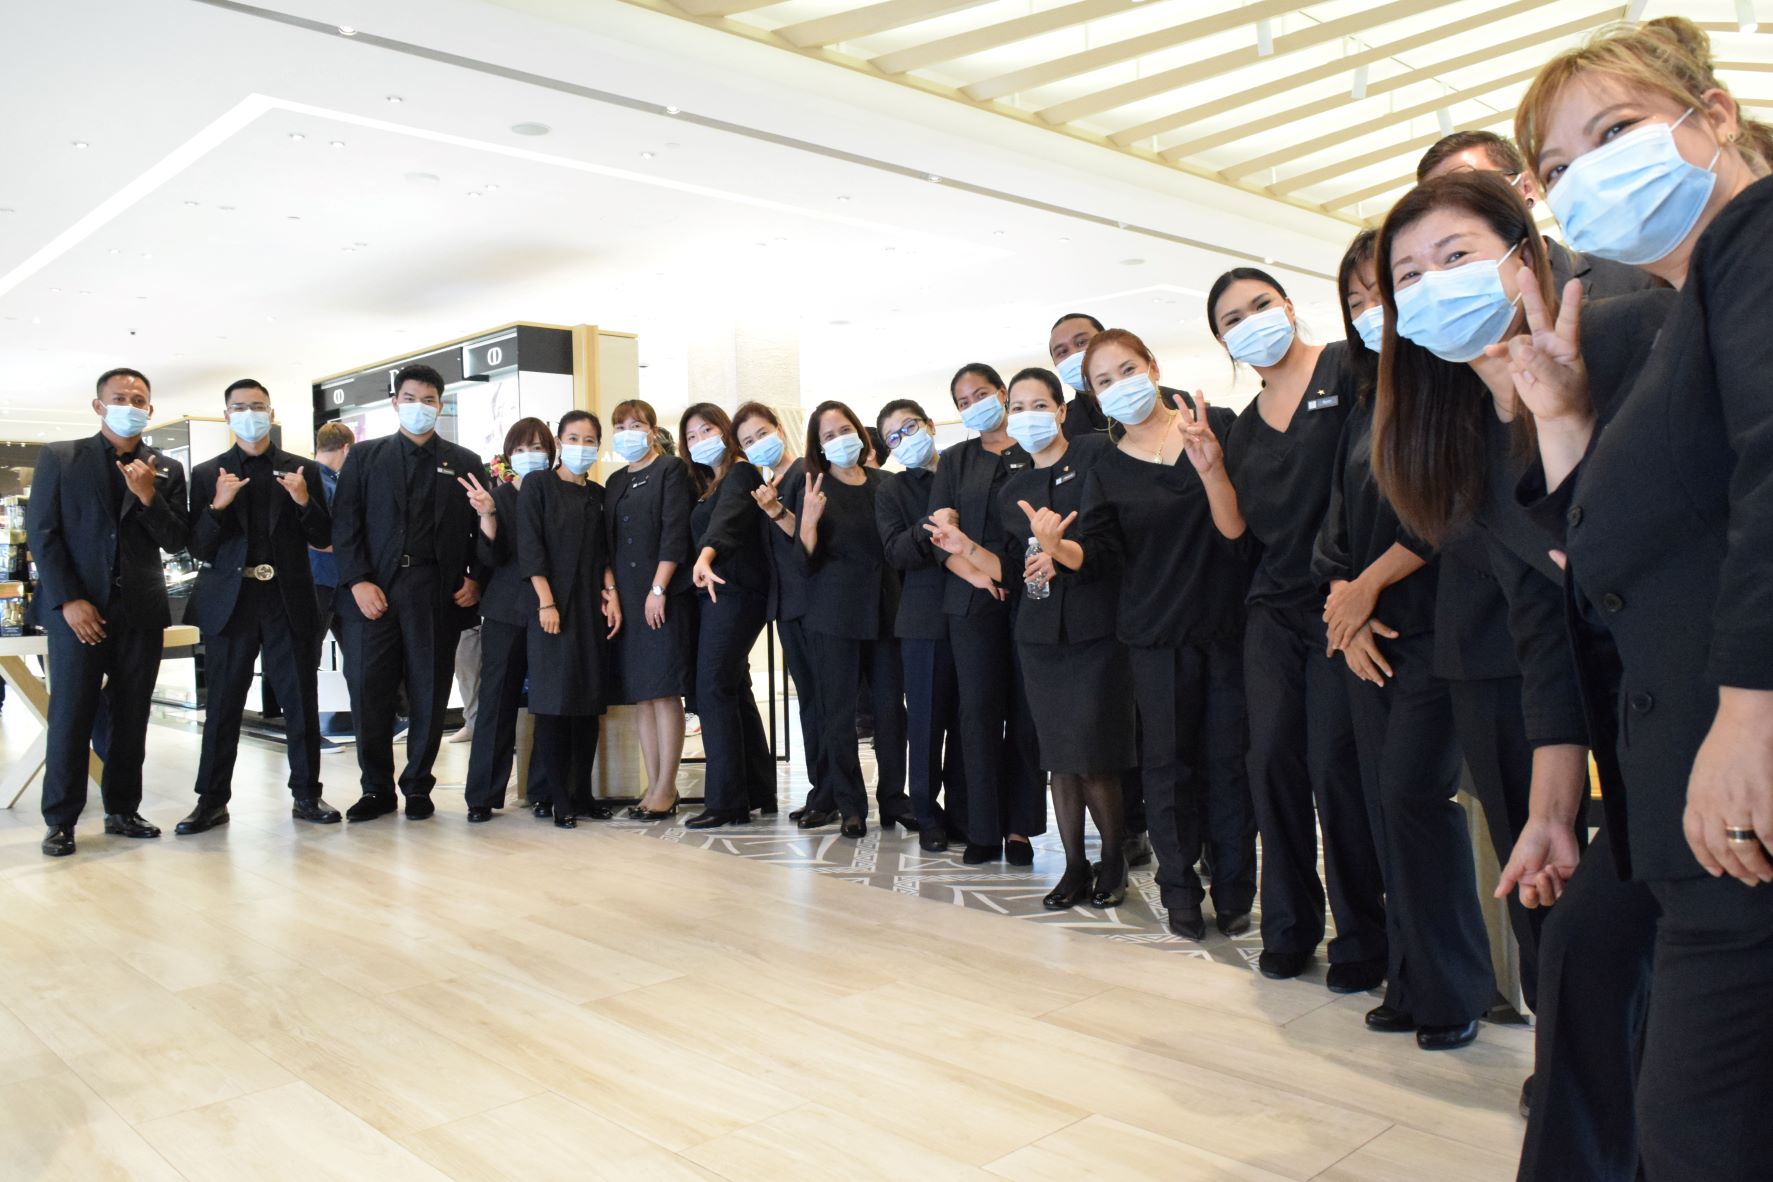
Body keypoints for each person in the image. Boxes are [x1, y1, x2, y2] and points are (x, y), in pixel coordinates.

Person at [1499, 18, 1773, 1177]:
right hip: (1691, 806)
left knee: (1698, 1136)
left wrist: (1752, 708)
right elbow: (1608, 566)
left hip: (1739, 785)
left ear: (1712, 116)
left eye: (1616, 133)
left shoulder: (1757, 236)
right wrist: (1562, 419)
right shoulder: (1685, 316)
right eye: (1561, 171)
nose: (1590, 179)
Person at [1367, 170, 1674, 1176]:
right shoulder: (1467, 434)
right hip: (1641, 753)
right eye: (1407, 276)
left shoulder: (1630, 334)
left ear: (1523, 254)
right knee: (1582, 976)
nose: (1432, 286)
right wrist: (1551, 812)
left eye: (1455, 257)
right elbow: (1545, 626)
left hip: (1722, 716)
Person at [1313, 232, 1492, 1052]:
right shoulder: (1362, 404)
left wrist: (1367, 586)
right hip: (1367, 634)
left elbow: (1450, 504)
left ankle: (1455, 986)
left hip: (1433, 624)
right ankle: (1413, 977)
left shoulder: (1451, 384)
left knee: (1417, 802)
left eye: (1379, 290)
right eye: (1354, 302)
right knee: (1387, 807)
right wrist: (1343, 611)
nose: (1369, 312)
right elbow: (1335, 527)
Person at [1048, 330, 1256, 939]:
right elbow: (1103, 555)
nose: (1118, 386)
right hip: (1152, 637)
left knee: (1229, 764)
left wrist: (1211, 466)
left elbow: (1239, 531)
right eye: (1103, 381)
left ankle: (1237, 888)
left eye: (1126, 370)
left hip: (1224, 627)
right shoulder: (1104, 464)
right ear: (1091, 394)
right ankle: (1180, 891)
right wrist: (1061, 548)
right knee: (1167, 769)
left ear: (1153, 366)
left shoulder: (1213, 424)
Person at [1215, 266, 1387, 990]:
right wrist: (1205, 467)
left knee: (1333, 767)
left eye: (1260, 304)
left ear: (1288, 306)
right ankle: (1288, 925)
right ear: (1223, 341)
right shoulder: (1246, 426)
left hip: (1341, 598)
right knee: (1271, 761)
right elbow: (1241, 531)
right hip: (1271, 608)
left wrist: (1358, 590)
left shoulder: (1346, 368)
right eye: (1232, 318)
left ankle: (1363, 937)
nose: (1251, 321)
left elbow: (1371, 479)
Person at [27, 368, 190, 856]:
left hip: (139, 610)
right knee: (72, 715)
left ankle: (122, 809)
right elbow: (44, 534)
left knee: (131, 716)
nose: (130, 404)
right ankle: (60, 819)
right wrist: (68, 600)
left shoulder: (165, 469)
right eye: (119, 397)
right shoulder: (61, 457)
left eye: (139, 398)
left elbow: (177, 539)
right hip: (78, 610)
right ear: (99, 406)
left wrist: (147, 496)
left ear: (150, 410)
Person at [997, 369, 1134, 909]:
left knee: (1095, 754)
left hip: (1096, 629)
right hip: (1037, 635)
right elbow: (1015, 562)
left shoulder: (1098, 458)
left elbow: (1111, 545)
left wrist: (1062, 556)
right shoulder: (1013, 488)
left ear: (1060, 411)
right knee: (1057, 757)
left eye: (1038, 405)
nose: (1027, 415)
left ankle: (1114, 861)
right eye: (1017, 407)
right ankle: (1075, 865)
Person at [176, 379, 338, 834]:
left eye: (258, 406)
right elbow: (200, 547)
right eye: (240, 407)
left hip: (288, 598)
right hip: (232, 601)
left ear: (271, 411)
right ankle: (210, 801)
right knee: (224, 703)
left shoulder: (302, 469)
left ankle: (307, 794)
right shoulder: (209, 472)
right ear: (227, 415)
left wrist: (304, 501)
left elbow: (324, 537)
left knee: (299, 699)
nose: (250, 414)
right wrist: (218, 506)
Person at [331, 362, 487, 821]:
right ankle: (375, 788)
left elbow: (485, 528)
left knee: (430, 691)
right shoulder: (364, 457)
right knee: (368, 690)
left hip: (435, 592)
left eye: (430, 400)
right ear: (395, 402)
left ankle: (418, 785)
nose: (420, 407)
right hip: (374, 591)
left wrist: (475, 577)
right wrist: (358, 580)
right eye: (411, 398)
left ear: (441, 405)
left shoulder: (464, 462)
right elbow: (345, 525)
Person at [1046, 313, 1164, 869]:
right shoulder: (1068, 438)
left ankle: (1192, 841)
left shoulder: (1177, 412)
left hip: (1163, 594)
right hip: (1099, 598)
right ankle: (1130, 832)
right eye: (1061, 351)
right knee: (1114, 734)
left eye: (1081, 343)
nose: (1072, 354)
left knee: (1157, 731)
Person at [924, 364, 1045, 864]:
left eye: (982, 393)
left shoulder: (1034, 449)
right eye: (963, 400)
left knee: (1025, 715)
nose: (974, 403)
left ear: (1002, 393)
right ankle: (981, 827)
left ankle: (1019, 829)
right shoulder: (955, 459)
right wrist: (976, 573)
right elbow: (936, 532)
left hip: (1031, 597)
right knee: (976, 713)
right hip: (971, 601)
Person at [797, 399, 907, 837]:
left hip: (886, 610)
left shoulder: (887, 484)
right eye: (828, 436)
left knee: (889, 712)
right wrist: (807, 521)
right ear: (819, 447)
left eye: (845, 430)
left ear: (861, 436)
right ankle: (850, 805)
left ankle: (894, 799)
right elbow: (803, 562)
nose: (840, 440)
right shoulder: (814, 488)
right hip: (833, 615)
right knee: (838, 714)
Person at [1416, 128, 1662, 301]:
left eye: (1475, 187)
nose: (1459, 211)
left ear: (1526, 188)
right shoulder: (1455, 329)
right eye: (1437, 204)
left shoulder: (1629, 275)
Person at [519, 410, 620, 827]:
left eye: (590, 439)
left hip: (589, 610)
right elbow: (531, 546)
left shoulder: (598, 494)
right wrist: (546, 602)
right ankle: (558, 797)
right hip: (551, 608)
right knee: (553, 705)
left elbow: (605, 553)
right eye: (574, 437)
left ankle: (582, 793)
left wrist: (612, 595)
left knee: (587, 705)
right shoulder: (538, 485)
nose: (583, 446)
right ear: (559, 441)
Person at [875, 398, 967, 852]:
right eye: (893, 437)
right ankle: (928, 814)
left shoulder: (964, 466)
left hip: (975, 614)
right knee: (927, 724)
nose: (904, 441)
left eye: (909, 428)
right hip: (923, 619)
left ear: (930, 425)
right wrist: (935, 526)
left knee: (971, 723)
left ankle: (970, 815)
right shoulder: (892, 490)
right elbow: (897, 552)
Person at [684, 403, 778, 827]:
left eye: (707, 430)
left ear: (725, 431)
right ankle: (759, 789)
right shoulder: (709, 482)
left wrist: (705, 556)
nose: (700, 440)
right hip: (716, 594)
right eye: (691, 436)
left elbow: (727, 523)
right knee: (735, 687)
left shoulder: (740, 472)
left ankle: (726, 802)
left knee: (713, 687)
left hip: (734, 590)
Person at [461, 417, 556, 822]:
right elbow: (488, 558)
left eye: (538, 447)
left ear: (551, 453)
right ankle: (482, 795)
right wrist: (487, 517)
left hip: (552, 611)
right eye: (521, 448)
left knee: (549, 703)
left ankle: (544, 791)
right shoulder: (496, 496)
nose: (530, 454)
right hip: (504, 610)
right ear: (508, 455)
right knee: (497, 701)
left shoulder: (560, 494)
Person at [604, 399, 694, 817]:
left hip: (661, 594)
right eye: (620, 425)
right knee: (643, 695)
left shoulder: (671, 470)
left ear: (653, 429)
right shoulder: (616, 480)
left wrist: (658, 588)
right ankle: (653, 784)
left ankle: (666, 785)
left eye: (636, 424)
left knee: (664, 692)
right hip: (626, 594)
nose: (628, 431)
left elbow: (676, 532)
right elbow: (606, 545)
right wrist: (613, 592)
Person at [737, 403, 824, 822]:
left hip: (816, 606)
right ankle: (820, 789)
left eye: (761, 434)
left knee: (824, 702)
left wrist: (777, 511)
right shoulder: (769, 483)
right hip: (788, 607)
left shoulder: (806, 473)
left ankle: (833, 794)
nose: (758, 445)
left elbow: (812, 542)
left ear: (779, 429)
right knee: (809, 700)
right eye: (747, 442)